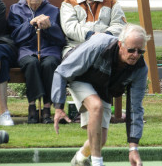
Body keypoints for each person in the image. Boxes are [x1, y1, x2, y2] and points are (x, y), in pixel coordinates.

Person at [52, 24, 149, 166]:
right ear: (121, 44)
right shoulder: (99, 45)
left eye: (140, 51)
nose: (135, 55)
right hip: (80, 76)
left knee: (101, 139)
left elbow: (135, 109)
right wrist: (58, 106)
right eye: (131, 50)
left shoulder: (140, 69)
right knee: (96, 106)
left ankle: (79, 159)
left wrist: (133, 147)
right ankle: (98, 162)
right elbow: (62, 71)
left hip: (102, 87)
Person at [7, 0, 66, 124]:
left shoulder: (53, 10)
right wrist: (30, 23)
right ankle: (32, 106)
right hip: (26, 50)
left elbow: (60, 39)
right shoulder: (15, 9)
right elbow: (15, 37)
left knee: (50, 64)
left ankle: (46, 108)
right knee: (31, 63)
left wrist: (49, 27)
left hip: (49, 49)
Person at [60, 0, 127, 56]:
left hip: (107, 46)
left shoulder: (112, 3)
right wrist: (91, 35)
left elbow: (120, 25)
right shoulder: (68, 3)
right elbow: (70, 28)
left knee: (134, 56)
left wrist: (104, 37)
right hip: (77, 47)